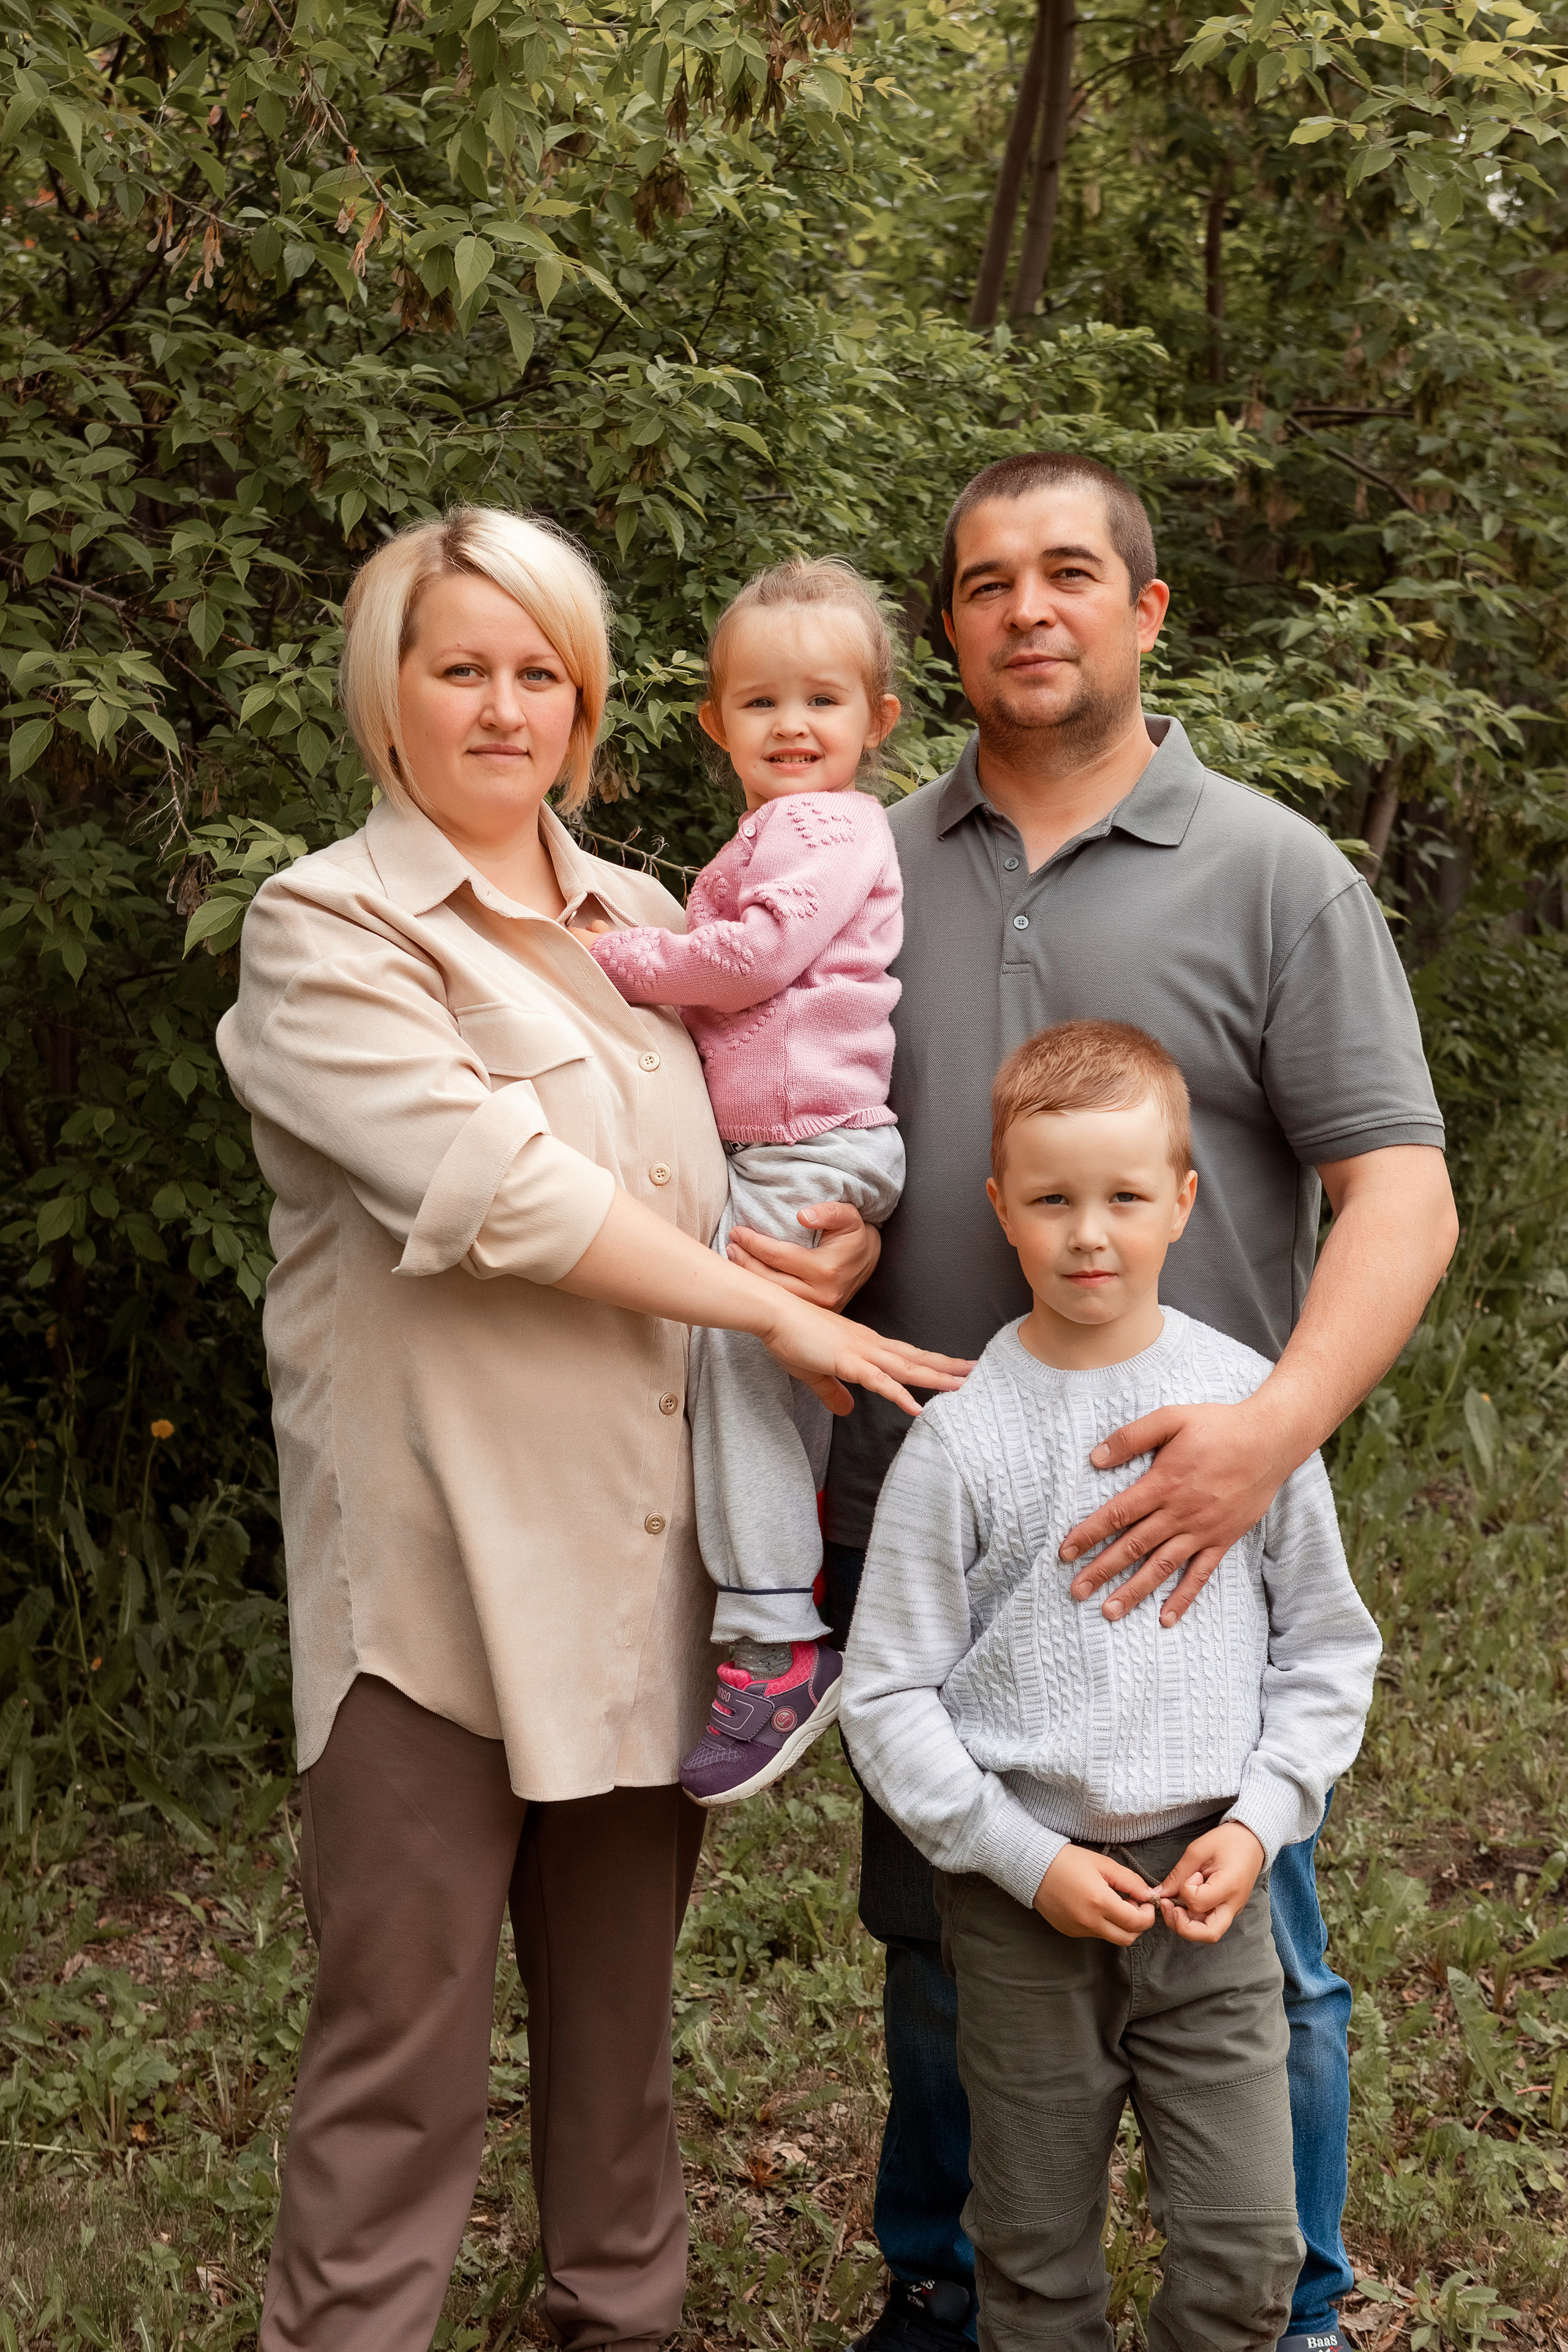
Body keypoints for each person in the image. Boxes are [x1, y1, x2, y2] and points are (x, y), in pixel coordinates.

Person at [723, 453, 1459, 2352]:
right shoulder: (854, 863)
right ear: (944, 634)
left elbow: (1403, 1189)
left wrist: (1269, 1435)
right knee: (949, 1947)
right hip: (931, 1518)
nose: (1026, 608)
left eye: (1070, 574)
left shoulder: (1276, 871)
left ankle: (1282, 2304)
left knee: (1249, 1953)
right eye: (984, 583)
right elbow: (785, 1120)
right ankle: (953, 2287)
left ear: (1147, 611)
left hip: (1193, 1521)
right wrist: (781, 1256)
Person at [214, 504, 966, 2352]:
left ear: (593, 700)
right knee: (400, 2048)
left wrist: (832, 1238)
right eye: (457, 666)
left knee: (623, 2046)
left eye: (537, 670)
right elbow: (516, 1196)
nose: (501, 706)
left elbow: (760, 1151)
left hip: (647, 1580)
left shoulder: (658, 919)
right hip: (438, 1588)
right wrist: (781, 1310)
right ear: (384, 696)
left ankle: (619, 2322)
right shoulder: (326, 930)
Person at [841, 1019, 1382, 2352]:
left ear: (1182, 1202)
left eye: (1125, 1197)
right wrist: (1023, 1861)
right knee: (1028, 2260)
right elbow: (886, 1697)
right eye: (1051, 1199)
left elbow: (1324, 1648)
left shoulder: (1246, 1412)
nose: (1090, 1233)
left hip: (1208, 1895)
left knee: (1248, 2252)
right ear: (999, 1211)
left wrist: (1255, 1823)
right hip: (1024, 1907)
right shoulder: (962, 1441)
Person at [581, 557, 908, 1807]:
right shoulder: (767, 830)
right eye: (759, 703)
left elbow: (755, 955)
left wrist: (616, 961)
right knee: (758, 1370)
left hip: (811, 1144)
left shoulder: (830, 826)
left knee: (734, 1358)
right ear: (715, 722)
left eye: (822, 701)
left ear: (875, 722)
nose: (790, 727)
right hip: (785, 1147)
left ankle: (778, 1644)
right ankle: (780, 1603)